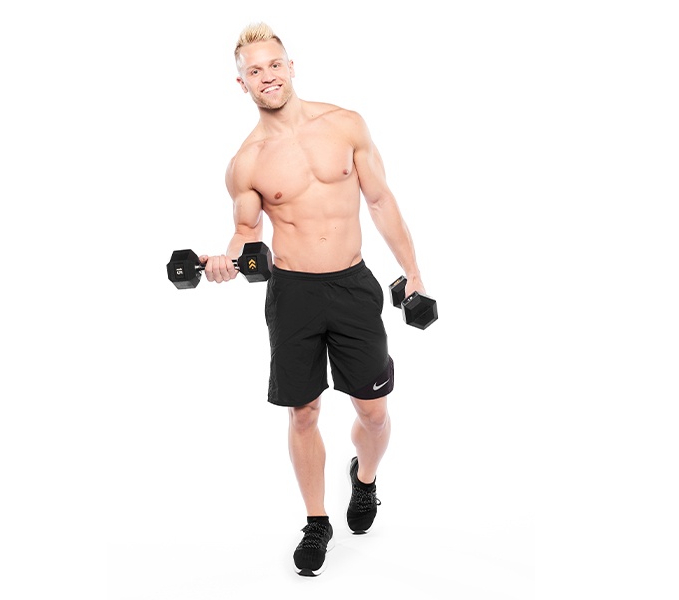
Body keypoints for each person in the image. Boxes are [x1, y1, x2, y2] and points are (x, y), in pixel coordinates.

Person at [199, 22, 428, 577]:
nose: (267, 76)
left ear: (290, 66)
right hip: (294, 294)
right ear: (242, 84)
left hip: (353, 285)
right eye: (254, 71)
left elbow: (380, 200)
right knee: (303, 413)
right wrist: (225, 259)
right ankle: (317, 522)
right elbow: (247, 233)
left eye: (273, 64)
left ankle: (365, 481)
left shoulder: (345, 124)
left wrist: (414, 274)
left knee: (373, 414)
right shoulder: (246, 162)